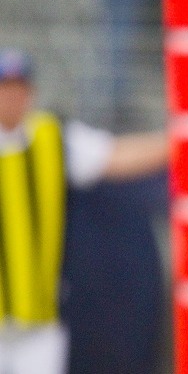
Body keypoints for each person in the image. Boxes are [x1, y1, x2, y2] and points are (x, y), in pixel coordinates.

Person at [0, 48, 169, 374]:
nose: (11, 97)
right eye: (5, 88)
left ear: (30, 93)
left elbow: (116, 156)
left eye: (18, 88)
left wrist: (183, 141)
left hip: (38, 324)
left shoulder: (51, 137)